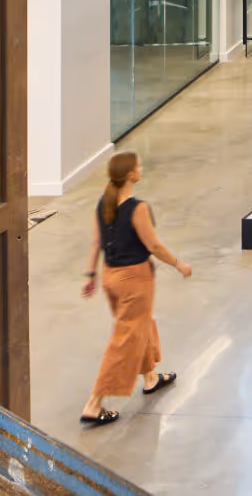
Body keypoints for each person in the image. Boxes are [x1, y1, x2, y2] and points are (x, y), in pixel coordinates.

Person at [79, 152, 191, 425]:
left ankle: (150, 377)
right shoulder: (137, 208)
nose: (141, 168)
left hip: (110, 277)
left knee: (139, 324)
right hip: (134, 280)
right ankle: (94, 403)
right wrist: (178, 264)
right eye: (139, 166)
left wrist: (91, 274)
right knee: (126, 337)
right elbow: (153, 245)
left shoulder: (103, 204)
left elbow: (96, 243)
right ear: (131, 174)